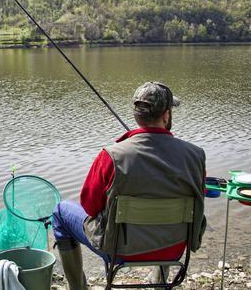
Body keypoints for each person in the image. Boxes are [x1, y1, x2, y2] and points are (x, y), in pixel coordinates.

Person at [51, 81, 207, 290]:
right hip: (174, 248)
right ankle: (158, 283)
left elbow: (89, 206)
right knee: (166, 216)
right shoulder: (195, 156)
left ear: (136, 115)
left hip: (119, 250)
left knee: (60, 212)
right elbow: (200, 197)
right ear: (166, 115)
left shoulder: (111, 155)